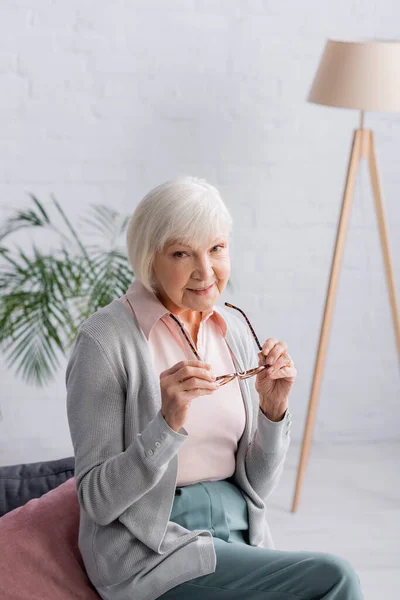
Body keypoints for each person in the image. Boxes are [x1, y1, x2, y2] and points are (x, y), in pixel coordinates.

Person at [66, 176, 364, 600]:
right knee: (336, 578)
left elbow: (257, 488)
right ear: (150, 259)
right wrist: (165, 426)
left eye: (217, 249)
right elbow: (96, 501)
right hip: (153, 549)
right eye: (182, 253)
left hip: (238, 536)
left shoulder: (234, 329)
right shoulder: (105, 340)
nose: (206, 272)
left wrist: (273, 413)